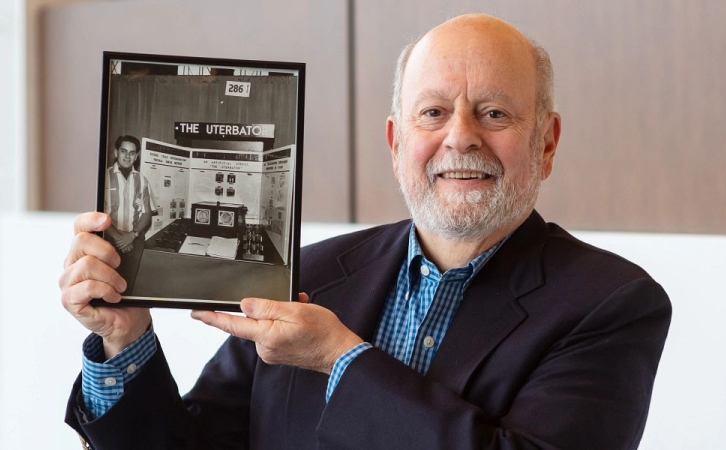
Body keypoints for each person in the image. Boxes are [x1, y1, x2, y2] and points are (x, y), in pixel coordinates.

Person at [59, 14, 671, 449]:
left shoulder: (612, 304)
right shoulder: (310, 275)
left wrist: (340, 360)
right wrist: (124, 338)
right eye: (432, 112)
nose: (460, 136)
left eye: (494, 113)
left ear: (546, 141)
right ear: (396, 141)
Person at [103, 135, 154, 294]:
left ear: (137, 156)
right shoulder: (103, 177)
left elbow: (147, 214)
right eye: (124, 151)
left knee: (127, 287)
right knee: (107, 285)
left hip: (135, 241)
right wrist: (119, 238)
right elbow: (99, 215)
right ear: (116, 152)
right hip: (109, 240)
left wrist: (132, 235)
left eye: (132, 153)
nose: (127, 156)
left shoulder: (143, 180)